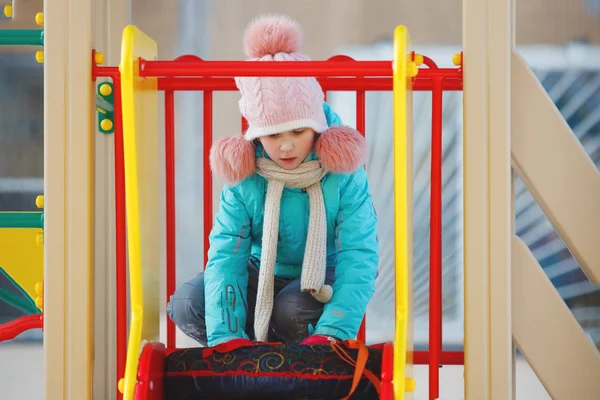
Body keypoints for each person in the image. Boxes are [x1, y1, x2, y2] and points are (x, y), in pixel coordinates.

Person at [166, 14, 379, 347]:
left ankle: (301, 372)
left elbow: (359, 252)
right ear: (255, 133)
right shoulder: (246, 172)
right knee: (188, 303)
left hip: (322, 275)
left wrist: (334, 331)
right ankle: (254, 361)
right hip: (261, 271)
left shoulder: (342, 169)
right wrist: (227, 340)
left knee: (290, 310)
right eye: (272, 133)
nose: (286, 145)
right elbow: (226, 254)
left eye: (298, 130)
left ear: (318, 126)